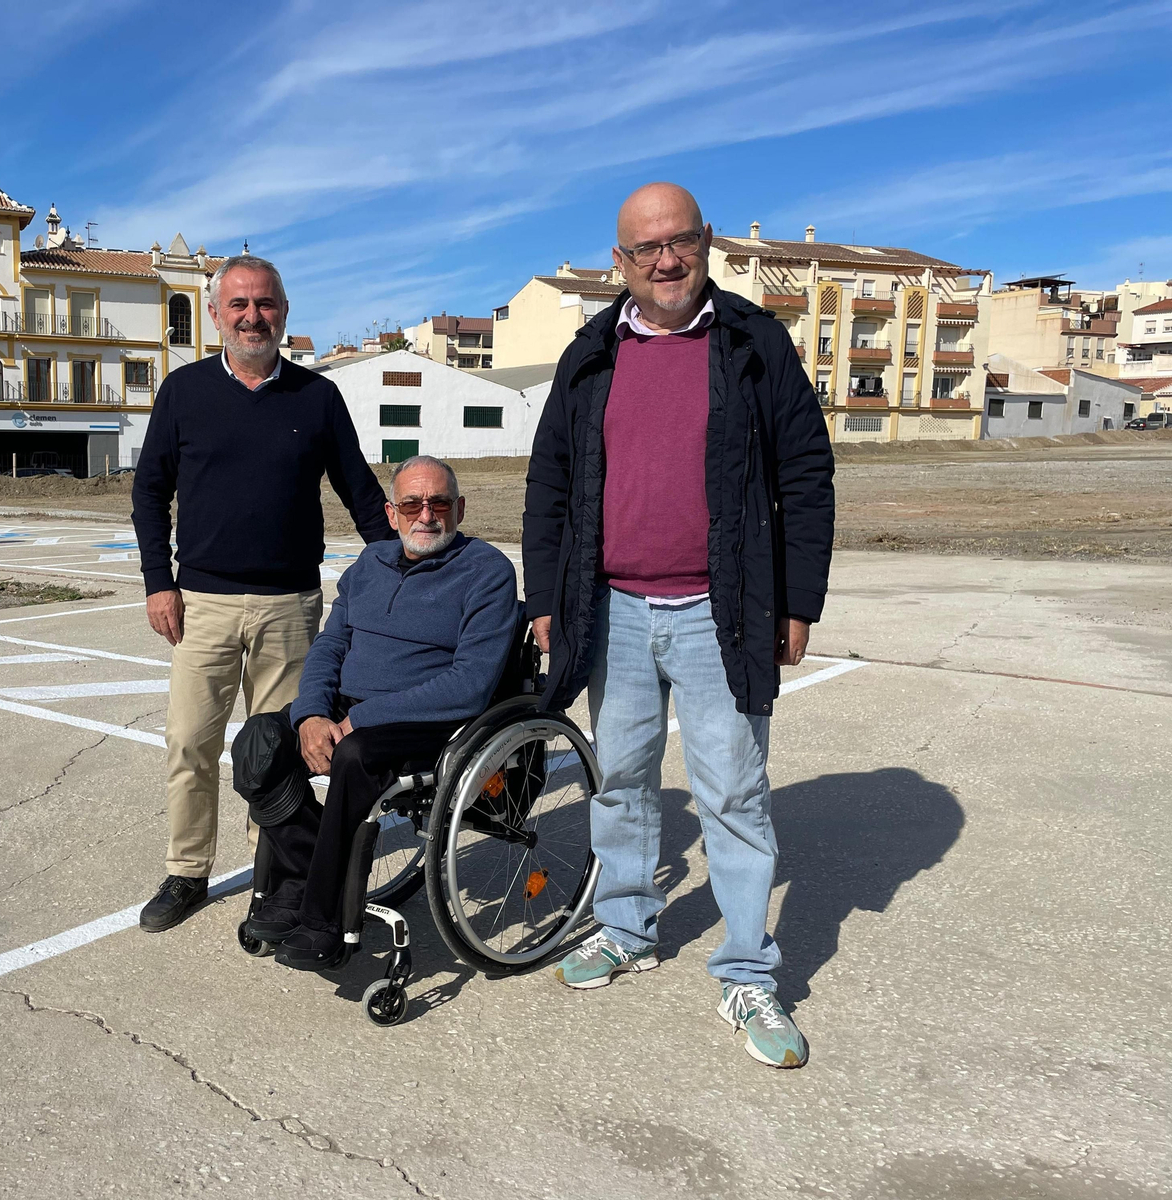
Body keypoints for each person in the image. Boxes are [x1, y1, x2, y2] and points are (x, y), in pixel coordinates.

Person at [523, 183, 835, 1068]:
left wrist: (797, 602)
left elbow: (807, 476)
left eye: (682, 242)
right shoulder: (590, 354)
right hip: (611, 609)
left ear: (706, 244)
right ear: (619, 263)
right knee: (619, 779)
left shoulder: (751, 344)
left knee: (733, 794)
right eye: (647, 248)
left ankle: (747, 973)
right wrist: (546, 597)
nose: (667, 261)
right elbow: (550, 484)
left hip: (718, 609)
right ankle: (626, 927)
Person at [131, 254, 395, 933]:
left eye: (266, 304)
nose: (253, 316)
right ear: (217, 315)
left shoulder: (317, 398)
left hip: (290, 607)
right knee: (189, 742)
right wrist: (160, 582)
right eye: (239, 305)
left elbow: (360, 492)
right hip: (203, 605)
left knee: (278, 755)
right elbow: (150, 491)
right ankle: (187, 873)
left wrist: (403, 568)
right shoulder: (184, 392)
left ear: (284, 312)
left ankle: (271, 875)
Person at [230, 455, 519, 969]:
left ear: (461, 509)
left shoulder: (487, 571)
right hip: (344, 706)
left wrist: (357, 721)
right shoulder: (370, 564)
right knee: (259, 741)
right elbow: (330, 645)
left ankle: (324, 921)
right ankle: (304, 875)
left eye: (439, 503)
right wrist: (313, 715)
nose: (425, 514)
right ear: (392, 513)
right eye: (411, 503)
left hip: (430, 718)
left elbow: (470, 685)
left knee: (355, 757)